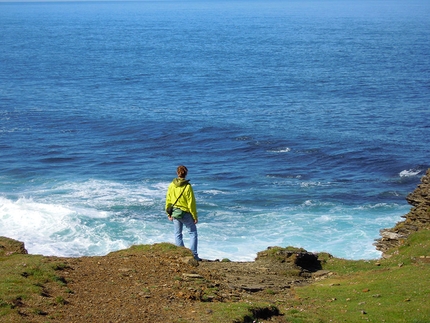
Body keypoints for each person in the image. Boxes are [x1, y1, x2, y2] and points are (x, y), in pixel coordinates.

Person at [165, 165, 200, 261]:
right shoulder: (188, 186)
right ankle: (194, 256)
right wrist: (194, 216)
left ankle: (182, 254)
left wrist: (168, 213)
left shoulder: (172, 185)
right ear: (186, 174)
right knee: (192, 232)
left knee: (177, 234)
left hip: (175, 212)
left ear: (177, 173)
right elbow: (191, 203)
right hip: (185, 213)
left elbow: (168, 200)